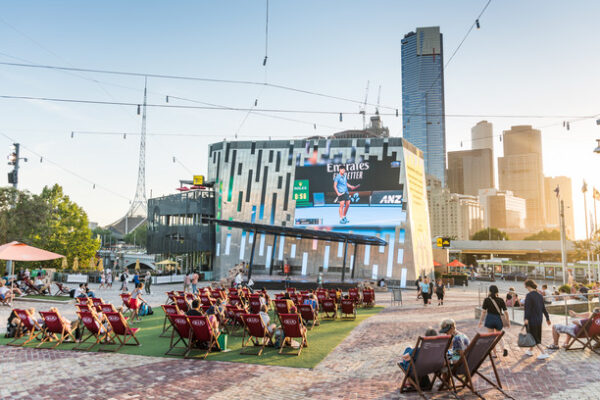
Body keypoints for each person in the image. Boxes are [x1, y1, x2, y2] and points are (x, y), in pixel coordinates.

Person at [478, 285, 510, 357]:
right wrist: (508, 321)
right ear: (497, 291)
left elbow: (483, 312)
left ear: (489, 291)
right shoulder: (501, 300)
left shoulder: (486, 300)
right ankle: (503, 348)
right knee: (499, 336)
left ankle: (494, 354)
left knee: (491, 337)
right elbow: (506, 312)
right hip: (498, 319)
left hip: (490, 319)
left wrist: (480, 321)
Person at [523, 279, 551, 360]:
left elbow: (527, 309)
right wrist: (547, 318)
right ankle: (530, 350)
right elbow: (543, 308)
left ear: (527, 286)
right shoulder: (540, 295)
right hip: (539, 319)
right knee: (535, 335)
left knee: (534, 336)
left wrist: (526, 318)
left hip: (531, 320)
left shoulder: (529, 295)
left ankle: (544, 353)